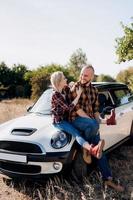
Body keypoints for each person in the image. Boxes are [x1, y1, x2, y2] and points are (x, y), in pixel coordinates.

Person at [67, 65, 124, 192]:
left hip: (90, 124)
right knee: (93, 126)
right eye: (81, 74)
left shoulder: (94, 90)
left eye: (86, 75)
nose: (82, 77)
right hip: (76, 120)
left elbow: (96, 112)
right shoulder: (74, 88)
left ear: (92, 76)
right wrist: (94, 123)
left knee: (100, 152)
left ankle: (108, 179)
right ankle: (88, 148)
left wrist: (104, 121)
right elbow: (79, 111)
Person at [50, 71, 105, 162]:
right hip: (59, 121)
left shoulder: (64, 89)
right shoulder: (55, 95)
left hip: (66, 119)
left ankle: (91, 149)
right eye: (64, 78)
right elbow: (69, 108)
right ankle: (92, 149)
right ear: (59, 81)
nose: (66, 79)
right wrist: (78, 95)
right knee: (76, 134)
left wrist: (73, 84)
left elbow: (73, 86)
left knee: (85, 129)